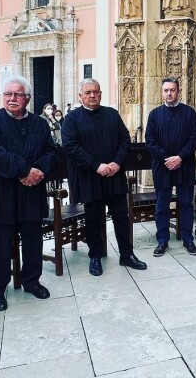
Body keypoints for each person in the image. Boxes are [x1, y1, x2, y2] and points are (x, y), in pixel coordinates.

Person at [0, 77, 57, 311]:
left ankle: (31, 281)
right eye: (8, 94)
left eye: (18, 95)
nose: (12, 99)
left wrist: (37, 171)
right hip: (0, 193)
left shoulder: (40, 124)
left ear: (28, 99)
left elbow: (51, 152)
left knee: (33, 240)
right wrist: (25, 171)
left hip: (31, 193)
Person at [61, 79, 147, 276]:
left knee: (121, 217)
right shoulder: (72, 119)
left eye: (96, 92)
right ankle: (95, 256)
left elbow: (125, 139)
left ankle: (127, 254)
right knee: (92, 219)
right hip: (89, 176)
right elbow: (71, 146)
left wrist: (116, 163)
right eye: (88, 92)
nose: (93, 96)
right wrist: (96, 166)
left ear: (101, 93)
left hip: (114, 175)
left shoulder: (112, 114)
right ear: (80, 96)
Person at [144, 77, 196, 257]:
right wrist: (167, 158)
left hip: (184, 165)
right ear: (162, 93)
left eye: (173, 90)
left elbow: (194, 139)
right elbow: (150, 140)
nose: (169, 93)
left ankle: (188, 239)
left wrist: (180, 157)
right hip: (162, 166)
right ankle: (162, 240)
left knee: (186, 204)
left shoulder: (190, 113)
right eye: (166, 90)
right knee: (162, 205)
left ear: (178, 91)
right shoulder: (154, 114)